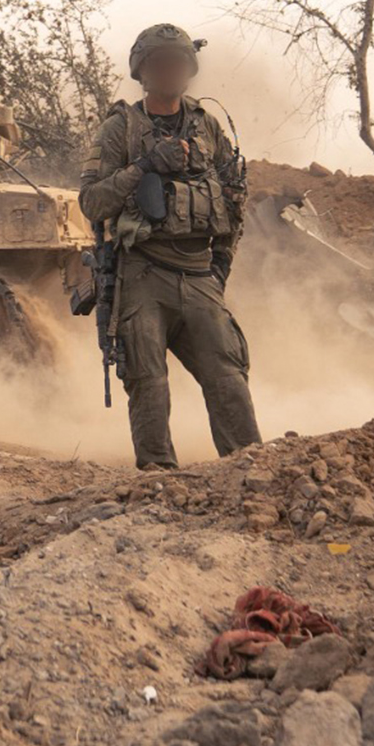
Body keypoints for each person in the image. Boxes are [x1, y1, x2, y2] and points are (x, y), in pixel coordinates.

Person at [78, 24, 260, 470]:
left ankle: (251, 472)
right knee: (149, 383)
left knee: (228, 378)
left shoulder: (207, 126)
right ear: (142, 72)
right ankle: (158, 479)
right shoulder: (120, 128)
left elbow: (234, 197)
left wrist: (221, 263)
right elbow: (92, 202)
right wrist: (144, 166)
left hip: (199, 274)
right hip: (143, 273)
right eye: (159, 63)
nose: (169, 71)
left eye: (177, 62)